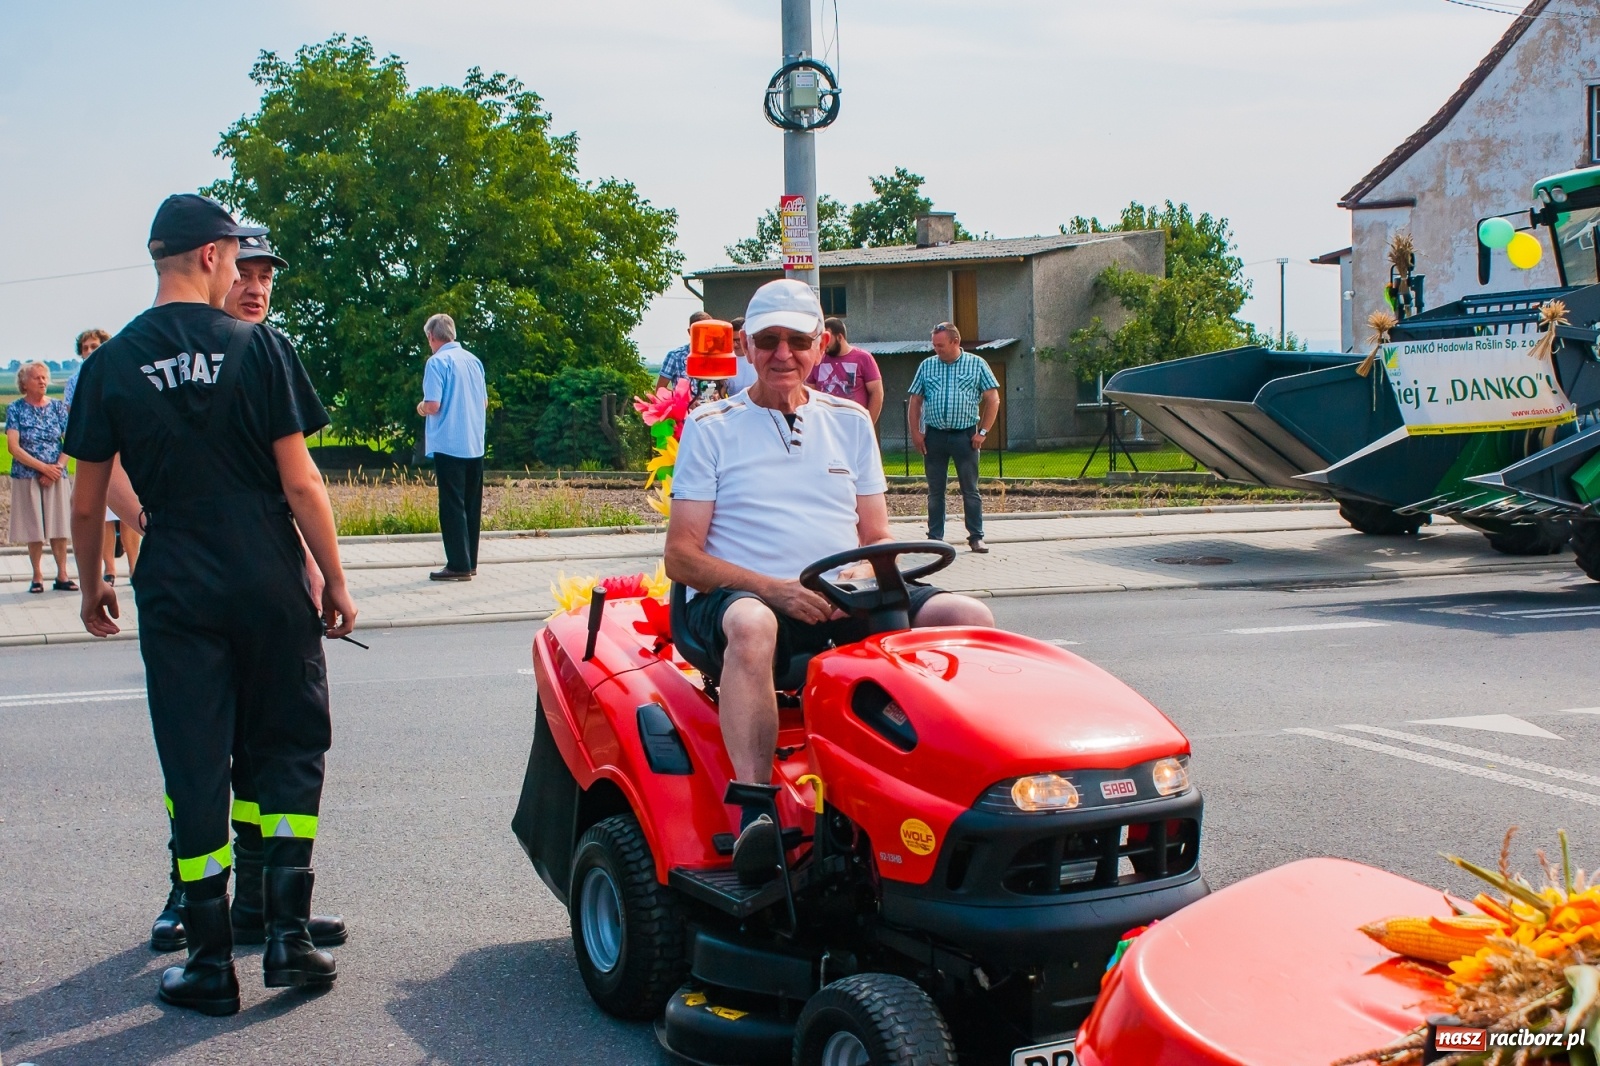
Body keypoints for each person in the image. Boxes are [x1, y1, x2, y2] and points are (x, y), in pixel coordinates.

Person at [66, 193, 357, 1016]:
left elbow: (88, 505)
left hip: (177, 579)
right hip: (266, 572)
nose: (240, 271)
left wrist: (94, 585)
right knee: (289, 745)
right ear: (207, 257)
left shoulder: (111, 364)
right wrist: (334, 580)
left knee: (196, 760)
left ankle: (206, 960)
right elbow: (300, 481)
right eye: (235, 256)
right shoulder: (257, 349)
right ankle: (289, 938)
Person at [665, 280, 994, 885]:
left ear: (821, 348)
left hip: (845, 589)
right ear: (745, 346)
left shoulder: (847, 423)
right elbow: (682, 558)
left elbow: (874, 535)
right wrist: (774, 589)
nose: (782, 354)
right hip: (744, 595)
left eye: (797, 341)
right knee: (751, 624)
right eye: (768, 341)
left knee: (967, 617)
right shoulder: (712, 426)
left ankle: (956, 785)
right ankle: (755, 811)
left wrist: (867, 582)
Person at [134, 233, 347, 958]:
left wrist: (314, 567)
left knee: (269, 748)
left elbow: (300, 478)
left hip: (267, 573)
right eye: (244, 274)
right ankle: (190, 899)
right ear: (212, 270)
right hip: (198, 577)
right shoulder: (160, 358)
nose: (255, 289)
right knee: (202, 750)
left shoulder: (268, 353)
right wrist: (165, 528)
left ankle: (260, 900)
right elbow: (121, 472)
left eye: (266, 279)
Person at [907, 322, 1000, 553]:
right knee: (935, 490)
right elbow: (916, 400)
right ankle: (935, 537)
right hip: (935, 436)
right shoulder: (927, 366)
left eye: (941, 345)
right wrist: (916, 432)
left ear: (955, 342)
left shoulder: (977, 364)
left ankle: (976, 537)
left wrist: (983, 432)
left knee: (970, 489)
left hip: (965, 436)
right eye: (934, 345)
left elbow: (993, 399)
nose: (936, 349)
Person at [416, 313, 487, 581]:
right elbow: (483, 404)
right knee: (471, 504)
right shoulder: (474, 361)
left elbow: (433, 405)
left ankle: (457, 564)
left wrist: (421, 407)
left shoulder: (437, 362)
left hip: (449, 443)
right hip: (474, 442)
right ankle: (471, 561)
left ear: (432, 337)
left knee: (451, 504)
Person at [65, 328, 139, 585]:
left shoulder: (118, 371)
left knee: (129, 514)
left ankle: (133, 564)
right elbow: (72, 417)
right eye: (85, 348)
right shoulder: (75, 381)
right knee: (104, 516)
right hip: (94, 450)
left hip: (123, 453)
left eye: (94, 346)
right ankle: (109, 567)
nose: (89, 352)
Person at [6, 362, 76, 593]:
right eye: (37, 377)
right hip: (26, 475)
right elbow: (13, 447)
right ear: (24, 384)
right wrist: (42, 468)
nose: (42, 381)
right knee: (33, 528)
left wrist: (56, 467)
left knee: (59, 527)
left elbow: (71, 441)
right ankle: (37, 575)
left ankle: (62, 574)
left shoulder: (57, 408)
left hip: (57, 475)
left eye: (44, 377)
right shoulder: (16, 409)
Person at [806, 317, 883, 423]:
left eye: (828, 338)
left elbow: (877, 393)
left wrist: (867, 425)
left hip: (854, 425)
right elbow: (809, 394)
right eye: (822, 337)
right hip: (825, 426)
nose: (824, 342)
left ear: (839, 337)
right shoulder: (817, 359)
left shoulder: (863, 358)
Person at [655, 309, 712, 391]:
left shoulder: (717, 356)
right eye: (699, 331)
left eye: (708, 330)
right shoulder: (675, 356)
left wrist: (717, 395)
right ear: (690, 332)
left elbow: (723, 386)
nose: (704, 335)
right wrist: (684, 400)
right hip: (684, 404)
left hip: (712, 403)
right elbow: (660, 390)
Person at [727, 316, 758, 395]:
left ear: (745, 338)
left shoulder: (760, 359)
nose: (734, 345)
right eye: (731, 340)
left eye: (738, 340)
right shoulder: (725, 360)